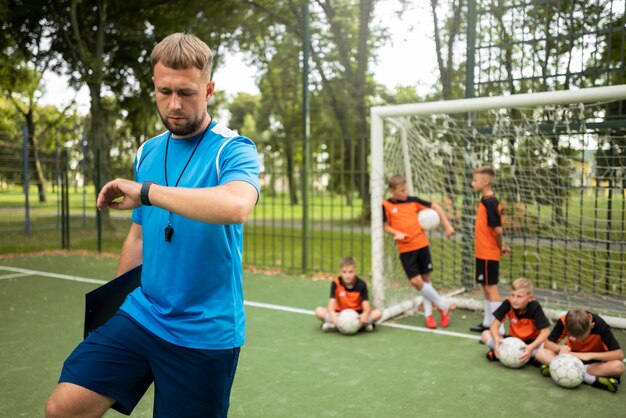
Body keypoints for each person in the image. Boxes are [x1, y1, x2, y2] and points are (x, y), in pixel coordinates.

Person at [45, 33, 261, 418]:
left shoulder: (232, 148)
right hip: (143, 315)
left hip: (204, 332)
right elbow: (140, 235)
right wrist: (113, 308)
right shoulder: (148, 151)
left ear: (208, 89)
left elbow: (236, 205)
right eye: (164, 92)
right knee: (64, 408)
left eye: (186, 92)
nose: (174, 104)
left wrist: (147, 192)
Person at [382, 174, 455, 329]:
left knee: (426, 280)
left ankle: (429, 316)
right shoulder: (386, 205)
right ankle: (443, 306)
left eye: (406, 189)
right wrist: (396, 232)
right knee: (416, 282)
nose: (405, 192)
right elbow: (385, 226)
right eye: (401, 190)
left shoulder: (414, 201)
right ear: (392, 191)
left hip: (421, 245)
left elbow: (436, 207)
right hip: (405, 249)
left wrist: (447, 226)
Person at [535, 309, 624, 393]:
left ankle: (558, 369)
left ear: (591, 325)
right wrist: (559, 348)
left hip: (593, 365)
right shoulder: (564, 321)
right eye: (574, 336)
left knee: (619, 367)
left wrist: (590, 355)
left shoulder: (601, 325)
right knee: (540, 353)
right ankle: (591, 379)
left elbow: (619, 355)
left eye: (581, 337)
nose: (577, 340)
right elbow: (547, 344)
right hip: (569, 359)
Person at [470, 166, 511, 333]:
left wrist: (500, 246)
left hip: (488, 253)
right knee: (485, 287)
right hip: (482, 252)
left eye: (475, 180)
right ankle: (488, 323)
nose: (472, 183)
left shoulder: (491, 202)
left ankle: (499, 329)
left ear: (486, 181)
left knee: (491, 288)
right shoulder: (484, 200)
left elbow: (498, 230)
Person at [482, 278, 550, 365]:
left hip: (530, 344)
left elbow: (546, 332)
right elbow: (494, 326)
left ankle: (528, 356)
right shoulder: (508, 303)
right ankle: (530, 359)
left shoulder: (535, 307)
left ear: (530, 298)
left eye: (519, 297)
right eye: (512, 295)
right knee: (485, 334)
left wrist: (530, 347)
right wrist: (496, 340)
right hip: (512, 342)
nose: (514, 300)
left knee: (547, 347)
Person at [315, 256, 382, 332]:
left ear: (355, 271)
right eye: (344, 272)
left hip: (357, 316)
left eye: (350, 272)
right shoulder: (336, 283)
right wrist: (332, 314)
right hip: (339, 314)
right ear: (340, 271)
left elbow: (366, 306)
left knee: (378, 313)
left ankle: (335, 326)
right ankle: (361, 327)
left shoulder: (361, 284)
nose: (347, 275)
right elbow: (331, 305)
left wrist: (365, 314)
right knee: (318, 311)